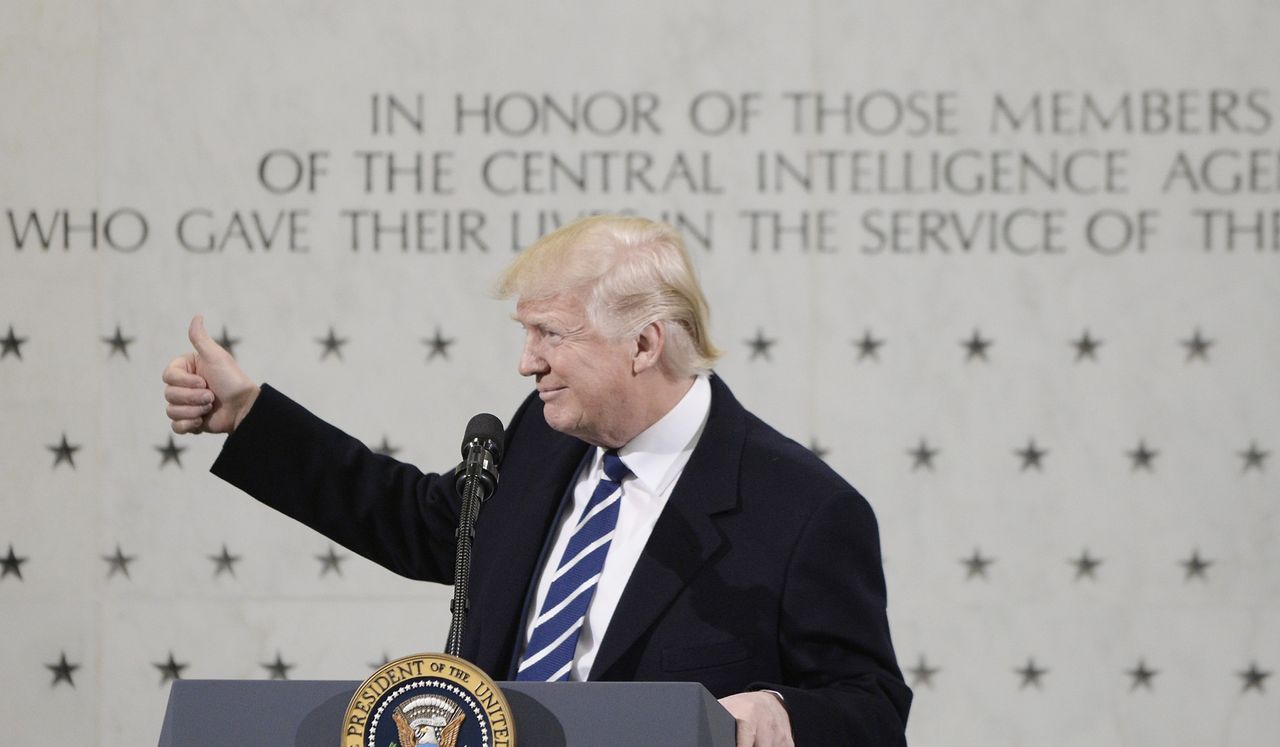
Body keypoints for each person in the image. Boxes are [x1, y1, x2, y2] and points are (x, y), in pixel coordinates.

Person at [162, 215, 911, 746]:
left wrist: (782, 710)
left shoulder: (804, 510)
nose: (527, 361)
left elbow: (872, 708)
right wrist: (250, 416)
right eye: (527, 333)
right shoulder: (540, 437)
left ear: (644, 343)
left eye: (551, 333)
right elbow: (425, 522)